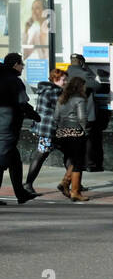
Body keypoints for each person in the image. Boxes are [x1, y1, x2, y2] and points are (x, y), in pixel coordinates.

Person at [0, 53, 40, 205]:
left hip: (4, 126)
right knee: (2, 162)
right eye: (21, 63)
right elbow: (22, 103)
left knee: (15, 161)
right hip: (6, 128)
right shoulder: (13, 81)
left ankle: (21, 193)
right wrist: (36, 116)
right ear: (15, 64)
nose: (23, 66)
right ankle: (21, 193)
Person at [24, 66, 66, 195]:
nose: (66, 82)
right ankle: (28, 184)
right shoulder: (54, 91)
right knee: (41, 155)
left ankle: (72, 182)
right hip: (50, 129)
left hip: (46, 128)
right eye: (64, 80)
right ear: (56, 79)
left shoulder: (45, 89)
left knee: (69, 153)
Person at [51, 75, 92, 201]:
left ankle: (64, 183)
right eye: (84, 86)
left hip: (61, 134)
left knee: (73, 161)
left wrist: (60, 130)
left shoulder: (61, 99)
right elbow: (82, 118)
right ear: (80, 87)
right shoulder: (80, 99)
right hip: (75, 133)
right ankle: (75, 192)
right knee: (78, 163)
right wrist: (86, 130)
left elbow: (56, 118)